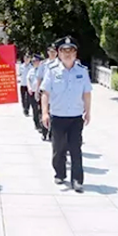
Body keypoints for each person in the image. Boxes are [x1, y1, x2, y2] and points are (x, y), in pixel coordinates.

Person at [41, 36, 92, 193]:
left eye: (71, 51)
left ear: (75, 53)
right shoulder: (51, 70)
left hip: (76, 117)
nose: (68, 54)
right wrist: (44, 113)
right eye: (64, 51)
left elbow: (87, 93)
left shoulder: (82, 71)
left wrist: (88, 111)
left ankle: (77, 179)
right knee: (58, 148)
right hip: (58, 115)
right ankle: (59, 172)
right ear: (58, 53)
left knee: (76, 148)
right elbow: (45, 93)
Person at [37, 43, 59, 141]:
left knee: (54, 113)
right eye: (51, 52)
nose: (52, 54)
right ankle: (44, 132)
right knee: (44, 112)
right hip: (45, 91)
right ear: (48, 53)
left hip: (56, 92)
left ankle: (52, 133)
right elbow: (39, 78)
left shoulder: (60, 64)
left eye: (54, 52)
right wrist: (37, 90)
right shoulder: (43, 64)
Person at [27, 54, 44, 137]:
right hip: (32, 92)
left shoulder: (44, 70)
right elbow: (28, 79)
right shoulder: (31, 70)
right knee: (34, 109)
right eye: (32, 61)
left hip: (41, 92)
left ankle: (42, 124)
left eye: (35, 61)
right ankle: (37, 123)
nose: (34, 63)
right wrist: (29, 88)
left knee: (41, 109)